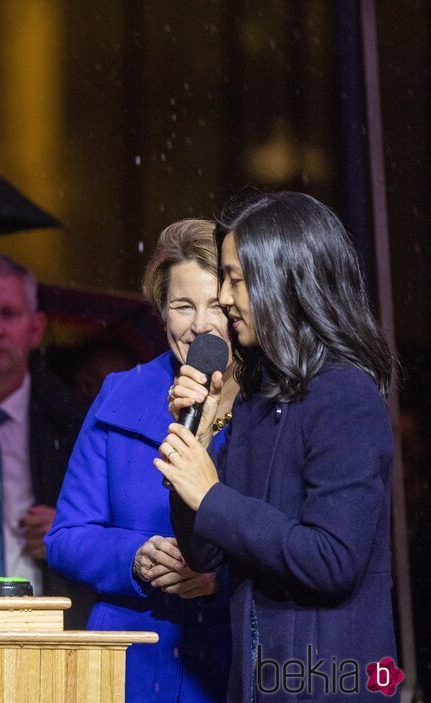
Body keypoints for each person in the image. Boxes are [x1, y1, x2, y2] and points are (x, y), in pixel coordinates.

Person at [156, 193, 398, 701]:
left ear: (284, 281)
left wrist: (213, 496)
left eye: (235, 279)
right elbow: (203, 552)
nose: (223, 297)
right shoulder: (257, 400)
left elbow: (332, 560)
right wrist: (194, 446)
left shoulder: (344, 395)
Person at [45, 219, 233, 702]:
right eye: (182, 306)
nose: (200, 326)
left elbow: (298, 544)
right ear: (161, 313)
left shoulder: (272, 408)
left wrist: (217, 573)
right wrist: (135, 558)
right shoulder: (121, 395)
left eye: (216, 305)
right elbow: (66, 538)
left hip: (226, 660)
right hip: (125, 661)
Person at [0, 253, 95, 628]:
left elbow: (120, 528)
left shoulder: (79, 422)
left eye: (9, 314)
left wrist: (69, 532)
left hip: (48, 618)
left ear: (36, 329)